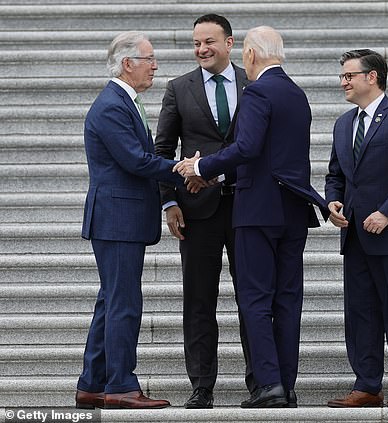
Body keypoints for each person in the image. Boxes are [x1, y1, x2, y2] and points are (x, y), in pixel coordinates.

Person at [173, 26, 329, 408]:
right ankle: (286, 385)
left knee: (256, 299)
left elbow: (246, 147)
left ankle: (269, 385)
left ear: (249, 55)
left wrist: (202, 166)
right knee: (288, 300)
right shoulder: (296, 93)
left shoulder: (257, 91)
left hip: (258, 211)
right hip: (293, 211)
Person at [75, 31, 200, 409]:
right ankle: (122, 386)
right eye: (149, 59)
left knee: (110, 302)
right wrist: (185, 169)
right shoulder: (112, 105)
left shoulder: (122, 101)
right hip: (117, 219)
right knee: (124, 303)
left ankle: (93, 384)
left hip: (120, 218)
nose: (155, 66)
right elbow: (136, 160)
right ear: (128, 64)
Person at [154, 13, 254, 409]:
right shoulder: (179, 88)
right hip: (196, 212)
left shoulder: (255, 83)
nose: (201, 49)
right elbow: (162, 151)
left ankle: (261, 383)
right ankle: (201, 387)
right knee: (198, 301)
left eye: (209, 41)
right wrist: (169, 199)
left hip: (247, 207)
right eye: (196, 43)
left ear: (230, 43)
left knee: (253, 298)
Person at [324, 49, 388, 408]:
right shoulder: (342, 124)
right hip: (354, 236)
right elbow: (335, 175)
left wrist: (387, 212)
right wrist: (332, 202)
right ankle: (367, 385)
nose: (343, 82)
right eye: (342, 76)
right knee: (360, 314)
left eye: (349, 75)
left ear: (372, 77)